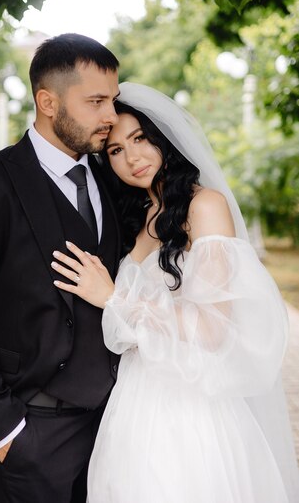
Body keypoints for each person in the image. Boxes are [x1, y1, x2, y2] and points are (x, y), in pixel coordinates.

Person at [51, 82, 299, 503]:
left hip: (188, 403)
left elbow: (212, 328)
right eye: (115, 150)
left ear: (163, 137)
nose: (131, 158)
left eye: (140, 139)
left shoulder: (205, 207)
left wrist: (114, 298)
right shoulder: (140, 212)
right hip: (132, 397)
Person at [0, 33, 123, 503]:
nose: (111, 117)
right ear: (48, 101)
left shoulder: (113, 176)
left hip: (120, 423)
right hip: (35, 430)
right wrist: (6, 430)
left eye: (113, 100)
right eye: (96, 101)